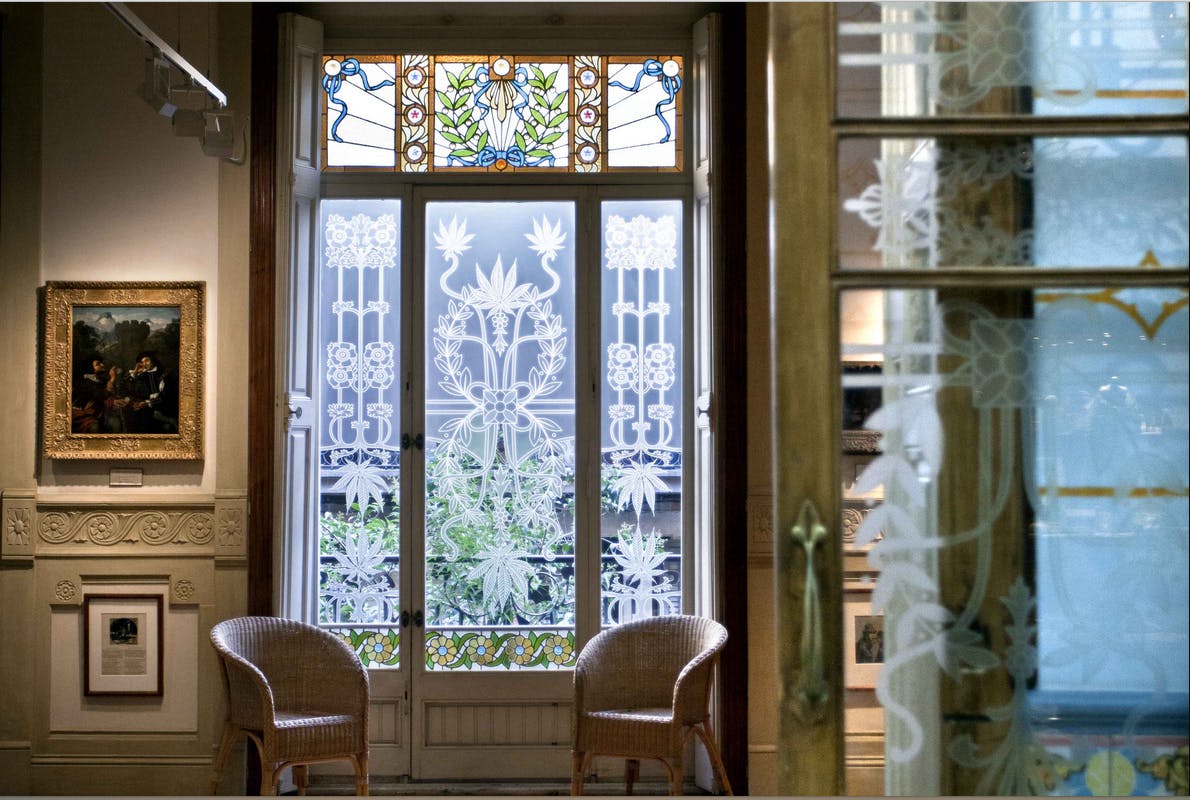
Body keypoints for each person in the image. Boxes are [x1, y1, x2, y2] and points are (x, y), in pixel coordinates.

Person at [114, 351, 178, 433]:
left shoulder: (164, 374)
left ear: (153, 360)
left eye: (147, 360)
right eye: (142, 362)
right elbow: (127, 386)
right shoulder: (143, 375)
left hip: (163, 406)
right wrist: (136, 371)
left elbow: (165, 396)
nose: (144, 364)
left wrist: (146, 403)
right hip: (146, 407)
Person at [71, 356, 112, 433]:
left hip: (93, 412)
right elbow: (102, 396)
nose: (102, 365)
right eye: (98, 364)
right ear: (91, 368)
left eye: (101, 363)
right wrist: (112, 379)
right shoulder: (86, 381)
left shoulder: (99, 380)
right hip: (81, 414)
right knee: (94, 427)